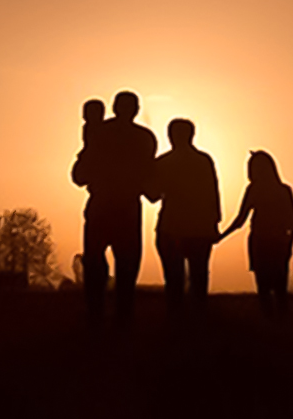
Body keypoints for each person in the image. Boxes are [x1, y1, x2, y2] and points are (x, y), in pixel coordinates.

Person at [71, 91, 157, 327]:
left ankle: (95, 312)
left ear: (114, 108)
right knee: (128, 263)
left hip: (100, 204)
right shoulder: (144, 138)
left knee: (95, 260)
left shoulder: (99, 133)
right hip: (128, 207)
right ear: (136, 110)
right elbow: (149, 175)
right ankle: (124, 314)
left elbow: (79, 175)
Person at [146, 119, 221, 317]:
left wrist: (144, 173)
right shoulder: (204, 161)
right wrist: (214, 224)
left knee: (173, 279)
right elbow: (213, 195)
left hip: (171, 227)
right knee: (199, 278)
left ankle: (176, 319)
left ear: (170, 136)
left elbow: (152, 195)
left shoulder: (164, 162)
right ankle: (199, 319)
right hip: (200, 228)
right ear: (192, 135)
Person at [219, 150, 293, 319]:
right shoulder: (283, 190)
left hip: (264, 243)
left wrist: (220, 236)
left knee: (265, 289)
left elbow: (240, 220)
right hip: (274, 244)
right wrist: (289, 245)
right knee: (279, 288)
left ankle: (271, 321)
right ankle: (279, 322)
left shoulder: (255, 190)